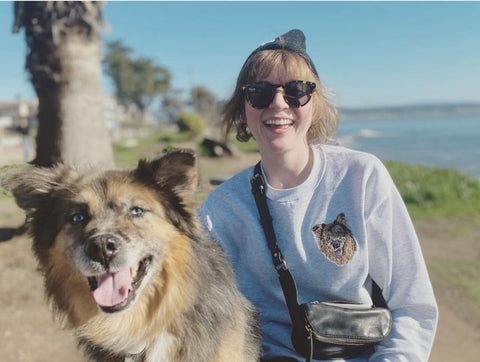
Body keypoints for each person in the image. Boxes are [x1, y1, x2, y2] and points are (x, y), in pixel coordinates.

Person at [199, 29, 438, 361]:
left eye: (297, 91)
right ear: (243, 109)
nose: (279, 103)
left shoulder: (360, 177)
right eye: (260, 92)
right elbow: (196, 314)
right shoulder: (221, 210)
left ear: (315, 103)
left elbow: (412, 305)